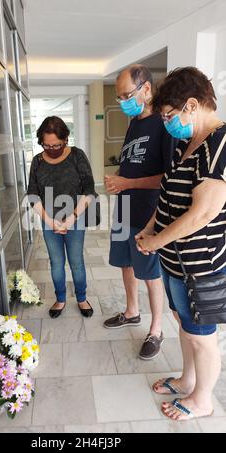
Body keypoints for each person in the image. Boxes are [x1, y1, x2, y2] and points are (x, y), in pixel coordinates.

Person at [136, 66, 226, 420]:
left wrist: (156, 240)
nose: (168, 123)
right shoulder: (186, 144)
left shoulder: (220, 145)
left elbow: (201, 215)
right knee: (184, 322)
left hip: (201, 264)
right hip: (175, 261)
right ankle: (188, 380)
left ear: (192, 105)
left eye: (170, 116)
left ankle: (203, 400)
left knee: (201, 333)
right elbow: (166, 198)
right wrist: (148, 229)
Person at [103, 64, 177, 360]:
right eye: (119, 98)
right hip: (123, 209)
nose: (122, 103)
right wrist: (118, 181)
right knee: (125, 263)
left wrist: (128, 182)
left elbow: (168, 176)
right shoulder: (135, 122)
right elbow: (132, 163)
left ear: (146, 89)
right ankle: (132, 312)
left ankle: (156, 330)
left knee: (150, 273)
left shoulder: (164, 124)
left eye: (126, 95)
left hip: (148, 215)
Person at [27, 116, 96, 318]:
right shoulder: (38, 161)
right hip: (49, 220)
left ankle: (82, 298)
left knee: (76, 261)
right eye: (46, 145)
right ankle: (60, 299)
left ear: (66, 139)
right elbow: (32, 194)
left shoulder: (77, 156)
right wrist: (50, 221)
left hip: (75, 217)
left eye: (56, 145)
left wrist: (72, 218)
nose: (51, 149)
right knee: (56, 262)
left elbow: (90, 190)